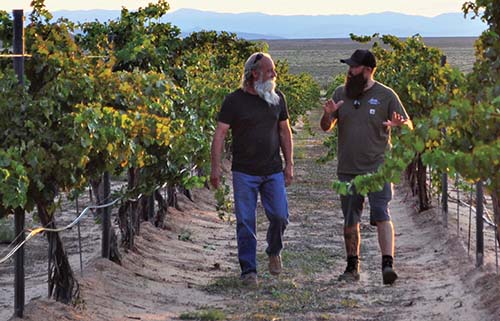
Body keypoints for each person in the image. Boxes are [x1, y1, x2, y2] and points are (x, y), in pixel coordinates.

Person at [320, 49, 413, 285]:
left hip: (378, 167)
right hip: (348, 168)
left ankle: (387, 265)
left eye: (354, 67)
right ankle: (352, 267)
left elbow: (408, 126)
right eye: (349, 67)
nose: (349, 71)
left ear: (369, 70)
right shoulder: (341, 93)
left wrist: (398, 125)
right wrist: (328, 115)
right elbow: (326, 126)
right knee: (350, 219)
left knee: (382, 213)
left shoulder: (386, 95)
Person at [210, 52, 294, 287]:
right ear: (254, 74)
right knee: (245, 222)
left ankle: (274, 250)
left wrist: (290, 164)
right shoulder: (233, 101)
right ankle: (249, 271)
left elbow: (284, 132)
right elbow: (220, 135)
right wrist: (215, 168)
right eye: (270, 71)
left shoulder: (277, 98)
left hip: (272, 170)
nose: (274, 75)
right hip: (244, 172)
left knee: (280, 216)